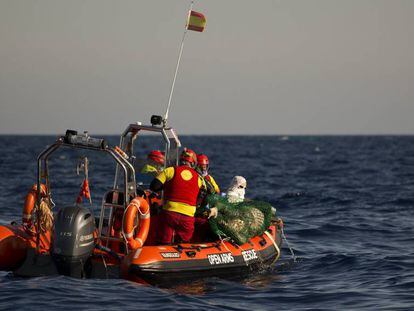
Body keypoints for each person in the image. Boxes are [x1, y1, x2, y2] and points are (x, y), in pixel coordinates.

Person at [150, 148, 206, 244]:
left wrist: (168, 187)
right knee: (184, 244)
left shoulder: (170, 170)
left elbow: (154, 186)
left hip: (169, 214)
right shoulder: (200, 179)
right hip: (188, 218)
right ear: (193, 163)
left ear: (180, 160)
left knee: (163, 241)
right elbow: (203, 195)